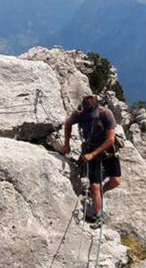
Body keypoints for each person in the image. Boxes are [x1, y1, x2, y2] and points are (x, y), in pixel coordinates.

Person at [61, 95, 122, 225]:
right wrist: (67, 144)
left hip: (107, 150)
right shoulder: (80, 113)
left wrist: (93, 154)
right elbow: (68, 124)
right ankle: (98, 215)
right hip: (90, 148)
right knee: (95, 185)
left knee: (115, 181)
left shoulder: (105, 114)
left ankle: (100, 193)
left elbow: (111, 139)